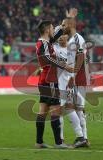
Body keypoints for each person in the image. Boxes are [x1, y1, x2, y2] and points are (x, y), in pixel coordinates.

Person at [34, 19, 75, 149]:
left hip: (44, 80)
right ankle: (59, 143)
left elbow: (56, 36)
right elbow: (47, 58)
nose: (53, 30)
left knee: (43, 111)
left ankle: (39, 142)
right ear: (47, 30)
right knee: (56, 111)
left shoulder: (44, 42)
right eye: (52, 28)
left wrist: (64, 27)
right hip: (50, 80)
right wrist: (64, 66)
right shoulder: (44, 43)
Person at [62, 9, 90, 147]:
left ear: (70, 25)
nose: (62, 28)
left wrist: (72, 76)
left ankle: (83, 138)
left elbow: (80, 58)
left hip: (77, 77)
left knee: (74, 107)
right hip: (73, 77)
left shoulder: (78, 39)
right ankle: (84, 138)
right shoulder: (71, 40)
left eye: (63, 25)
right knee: (77, 108)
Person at [54, 32, 86, 148]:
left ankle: (64, 139)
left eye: (63, 35)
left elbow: (74, 67)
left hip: (65, 85)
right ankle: (79, 137)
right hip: (57, 84)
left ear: (68, 37)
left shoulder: (71, 51)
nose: (61, 37)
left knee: (62, 111)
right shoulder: (55, 48)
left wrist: (72, 79)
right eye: (59, 36)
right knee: (64, 111)